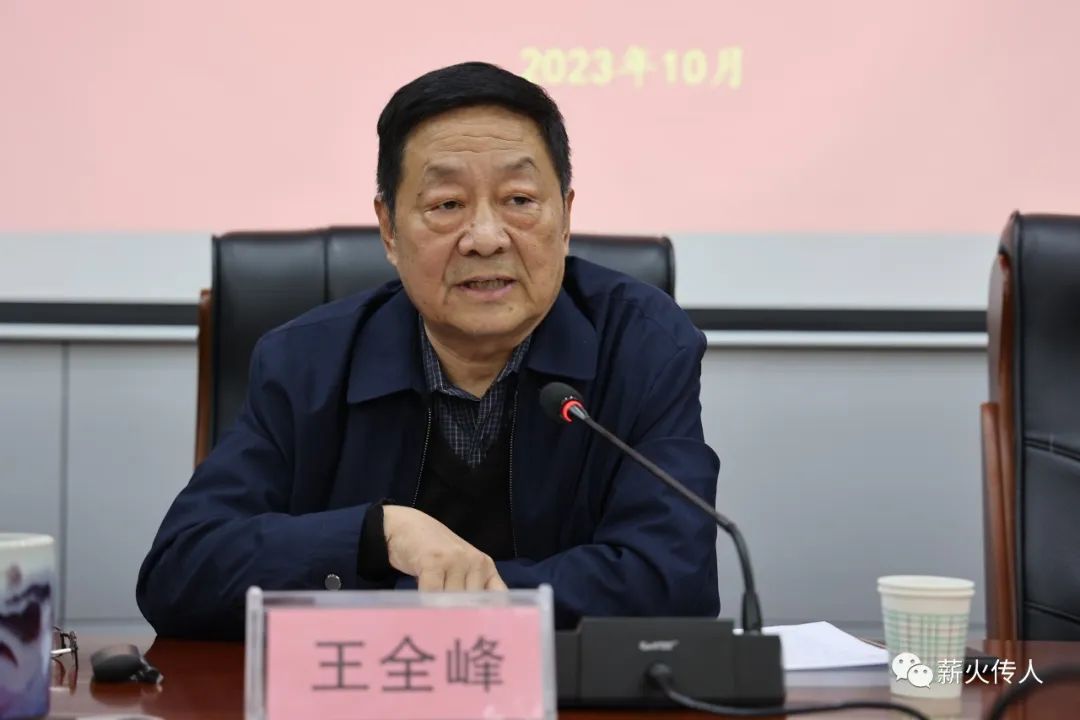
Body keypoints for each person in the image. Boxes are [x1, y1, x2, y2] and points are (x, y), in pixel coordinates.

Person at [136, 61, 720, 640]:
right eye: (447, 205)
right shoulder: (305, 363)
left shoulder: (643, 346)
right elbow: (181, 570)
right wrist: (377, 534)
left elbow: (674, 583)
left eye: (519, 199)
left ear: (565, 218)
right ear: (389, 229)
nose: (486, 238)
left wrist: (430, 605)